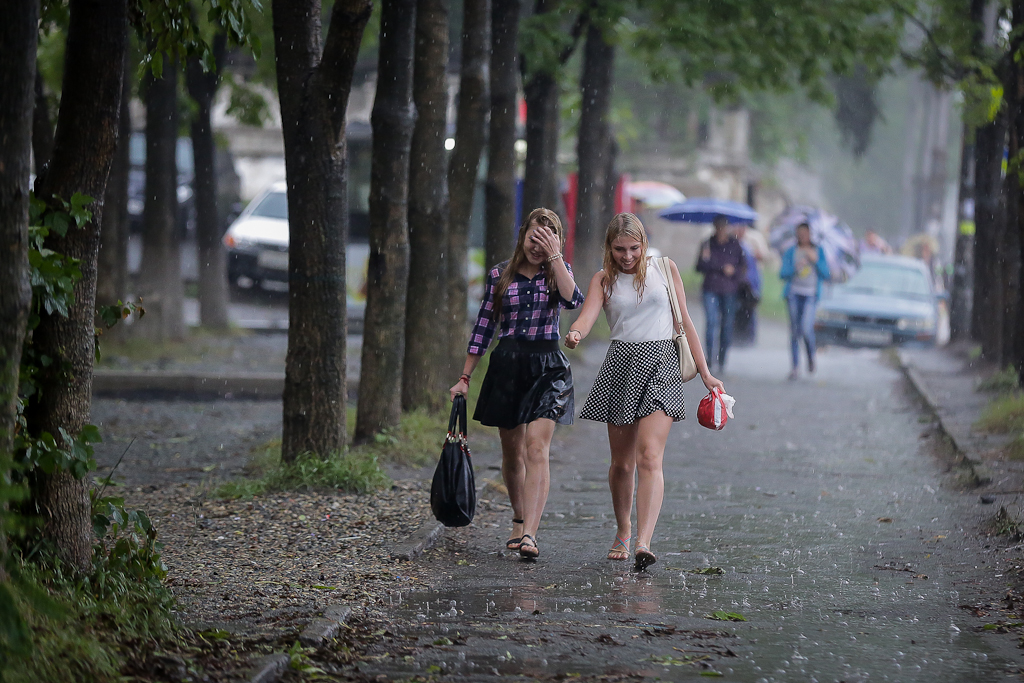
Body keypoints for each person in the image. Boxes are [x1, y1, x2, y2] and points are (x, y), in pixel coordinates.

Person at [565, 213, 723, 570]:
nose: (627, 256)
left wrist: (707, 375)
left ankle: (643, 540)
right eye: (619, 249)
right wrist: (576, 332)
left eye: (633, 248)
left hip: (662, 363)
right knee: (622, 463)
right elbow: (588, 316)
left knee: (650, 455)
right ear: (610, 247)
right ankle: (623, 530)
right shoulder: (603, 280)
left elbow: (686, 322)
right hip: (621, 365)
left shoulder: (664, 269)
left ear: (644, 244)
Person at [450, 207, 584, 560]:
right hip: (507, 365)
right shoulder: (499, 275)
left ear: (555, 241)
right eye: (532, 239)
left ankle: (530, 534)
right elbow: (483, 329)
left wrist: (555, 256)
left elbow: (574, 300)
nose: (536, 247)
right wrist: (464, 377)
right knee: (512, 452)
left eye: (545, 240)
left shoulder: (559, 273)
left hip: (547, 367)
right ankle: (519, 517)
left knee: (537, 448)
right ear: (522, 234)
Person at [695, 214, 747, 373]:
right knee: (711, 322)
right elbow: (699, 267)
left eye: (723, 226)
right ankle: (710, 358)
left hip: (729, 289)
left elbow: (743, 267)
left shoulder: (735, 245)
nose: (721, 230)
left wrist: (734, 271)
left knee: (726, 324)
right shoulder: (707, 244)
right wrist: (716, 265)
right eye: (718, 226)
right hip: (710, 288)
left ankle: (722, 359)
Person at [779, 222, 830, 380]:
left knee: (806, 329)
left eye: (805, 233)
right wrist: (795, 267)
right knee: (794, 332)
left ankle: (810, 356)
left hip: (810, 295)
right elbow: (783, 274)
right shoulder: (791, 252)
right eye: (799, 233)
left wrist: (815, 260)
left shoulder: (818, 251)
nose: (802, 236)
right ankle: (795, 367)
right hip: (794, 294)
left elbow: (826, 274)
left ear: (810, 234)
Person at [732, 223, 763, 345]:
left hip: (751, 283)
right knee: (734, 310)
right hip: (736, 283)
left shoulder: (752, 241)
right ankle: (734, 337)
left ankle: (748, 337)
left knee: (750, 310)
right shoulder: (732, 243)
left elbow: (762, 257)